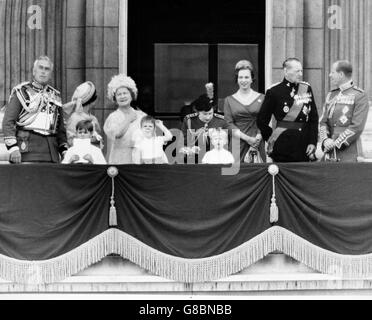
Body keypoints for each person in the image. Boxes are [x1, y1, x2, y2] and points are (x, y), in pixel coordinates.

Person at [2, 56, 67, 163]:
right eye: (40, 68)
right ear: (34, 71)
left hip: (51, 153)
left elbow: (60, 129)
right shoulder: (22, 92)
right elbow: (8, 122)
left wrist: (64, 151)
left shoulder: (55, 96)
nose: (43, 72)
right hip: (27, 150)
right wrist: (13, 148)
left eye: (47, 69)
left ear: (50, 74)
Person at [257, 58, 319, 162]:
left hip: (304, 144)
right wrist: (272, 139)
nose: (300, 74)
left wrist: (312, 142)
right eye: (297, 71)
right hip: (283, 145)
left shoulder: (306, 88)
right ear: (286, 71)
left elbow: (313, 118)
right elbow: (261, 121)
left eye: (301, 71)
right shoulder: (274, 91)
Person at [320, 60, 370, 162]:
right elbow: (323, 122)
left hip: (349, 152)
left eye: (333, 72)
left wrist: (336, 143)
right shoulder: (331, 95)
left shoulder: (359, 95)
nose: (330, 75)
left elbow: (357, 127)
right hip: (329, 152)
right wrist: (325, 140)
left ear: (341, 74)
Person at [223, 60, 266, 163]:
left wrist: (258, 137)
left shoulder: (262, 98)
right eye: (240, 77)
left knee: (258, 173)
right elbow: (228, 124)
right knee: (236, 175)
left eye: (246, 77)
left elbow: (265, 120)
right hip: (237, 142)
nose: (243, 80)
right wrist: (247, 138)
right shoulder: (229, 100)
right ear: (237, 80)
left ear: (252, 79)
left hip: (257, 141)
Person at [103, 74, 146, 164]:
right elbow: (117, 134)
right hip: (120, 159)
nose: (122, 96)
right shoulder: (113, 117)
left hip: (139, 159)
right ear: (115, 98)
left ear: (131, 95)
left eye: (125, 93)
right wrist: (128, 119)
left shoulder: (141, 115)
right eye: (119, 94)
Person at [181, 94, 229, 163]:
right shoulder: (189, 120)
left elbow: (228, 143)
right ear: (197, 112)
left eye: (210, 113)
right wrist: (189, 150)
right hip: (194, 160)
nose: (208, 117)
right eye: (204, 114)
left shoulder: (221, 121)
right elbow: (183, 143)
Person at [63, 81, 103, 149]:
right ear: (92, 100)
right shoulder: (75, 118)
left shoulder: (93, 118)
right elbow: (70, 141)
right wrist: (90, 141)